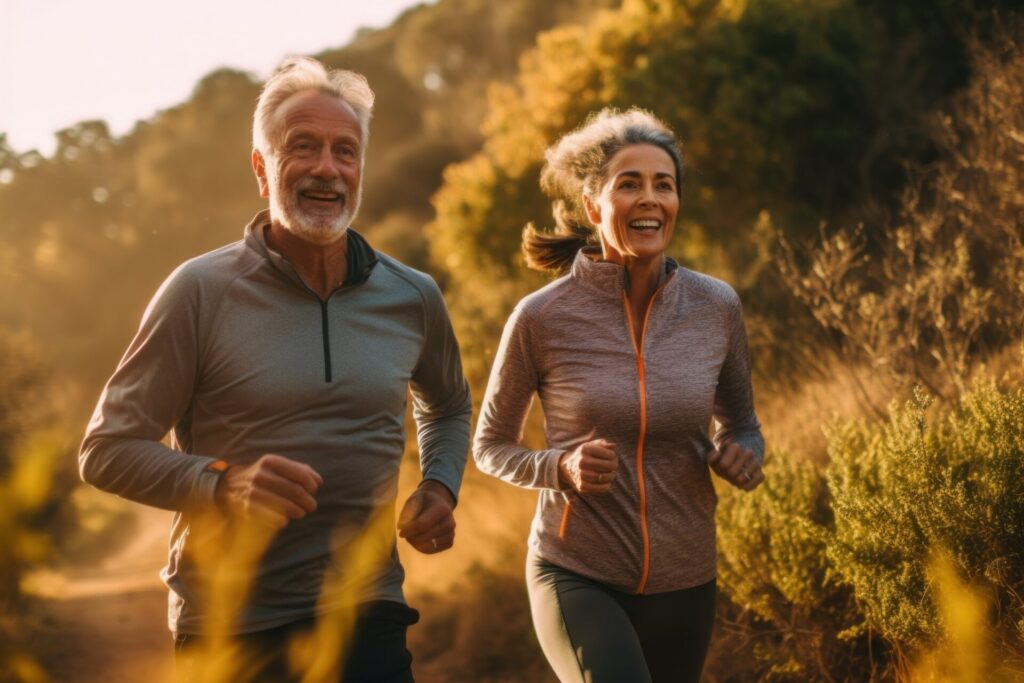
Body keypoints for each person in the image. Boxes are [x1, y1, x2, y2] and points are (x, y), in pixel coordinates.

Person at [79, 56, 471, 683]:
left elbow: (448, 404)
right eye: (303, 147)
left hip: (366, 607)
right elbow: (105, 449)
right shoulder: (198, 291)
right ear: (262, 169)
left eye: (345, 151)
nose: (326, 168)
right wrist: (222, 484)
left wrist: (441, 483)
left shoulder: (412, 295)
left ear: (361, 169)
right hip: (228, 624)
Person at [473, 108, 765, 682]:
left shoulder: (716, 308)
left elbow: (743, 425)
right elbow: (490, 445)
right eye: (629, 184)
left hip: (687, 575)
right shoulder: (542, 317)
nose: (650, 198)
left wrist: (742, 452)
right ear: (593, 207)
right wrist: (562, 467)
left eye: (664, 184)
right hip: (577, 570)